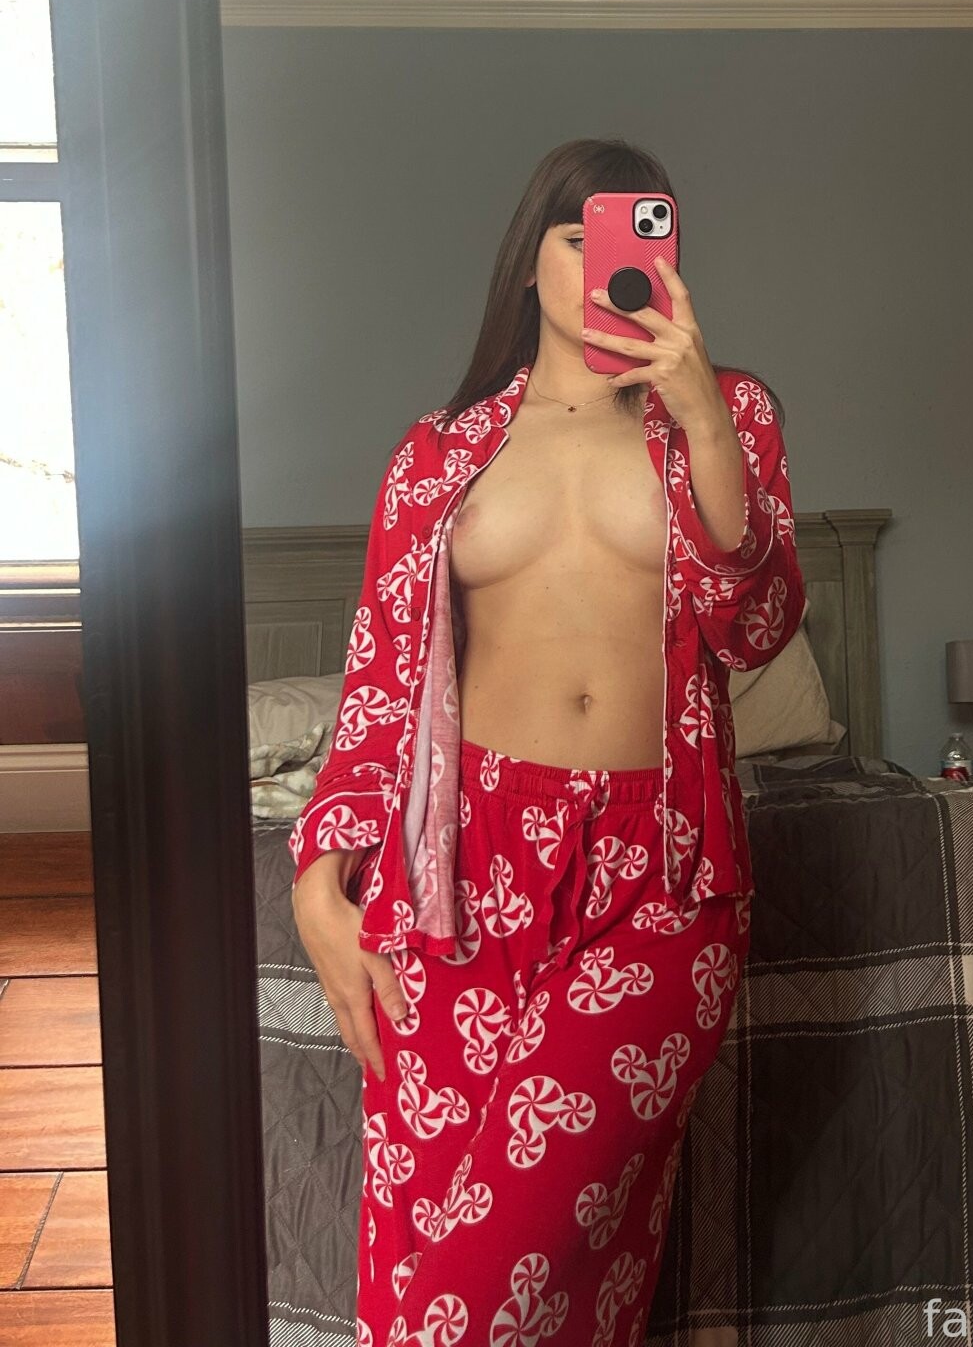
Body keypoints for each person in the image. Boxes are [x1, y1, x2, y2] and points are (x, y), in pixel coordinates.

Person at [290, 137, 805, 1347]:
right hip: (457, 890)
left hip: (660, 886)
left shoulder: (727, 415)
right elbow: (381, 686)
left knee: (470, 1304)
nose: (610, 264)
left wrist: (702, 417)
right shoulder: (437, 456)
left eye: (641, 235)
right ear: (531, 261)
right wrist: (317, 876)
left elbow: (755, 628)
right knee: (462, 1263)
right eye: (581, 236)